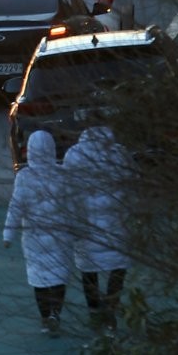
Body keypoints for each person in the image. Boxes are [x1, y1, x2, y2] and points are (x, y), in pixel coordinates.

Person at [62, 125, 133, 330]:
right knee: (118, 265)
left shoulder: (74, 155)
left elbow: (66, 189)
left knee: (88, 268)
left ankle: (93, 309)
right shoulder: (120, 153)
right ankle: (112, 304)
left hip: (85, 224)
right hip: (116, 222)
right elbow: (133, 180)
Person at [3, 130, 73, 335]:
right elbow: (71, 205)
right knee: (59, 276)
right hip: (60, 237)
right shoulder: (62, 174)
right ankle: (56, 314)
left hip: (34, 238)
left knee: (39, 277)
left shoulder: (25, 177)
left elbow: (16, 208)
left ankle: (44, 318)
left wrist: (8, 235)